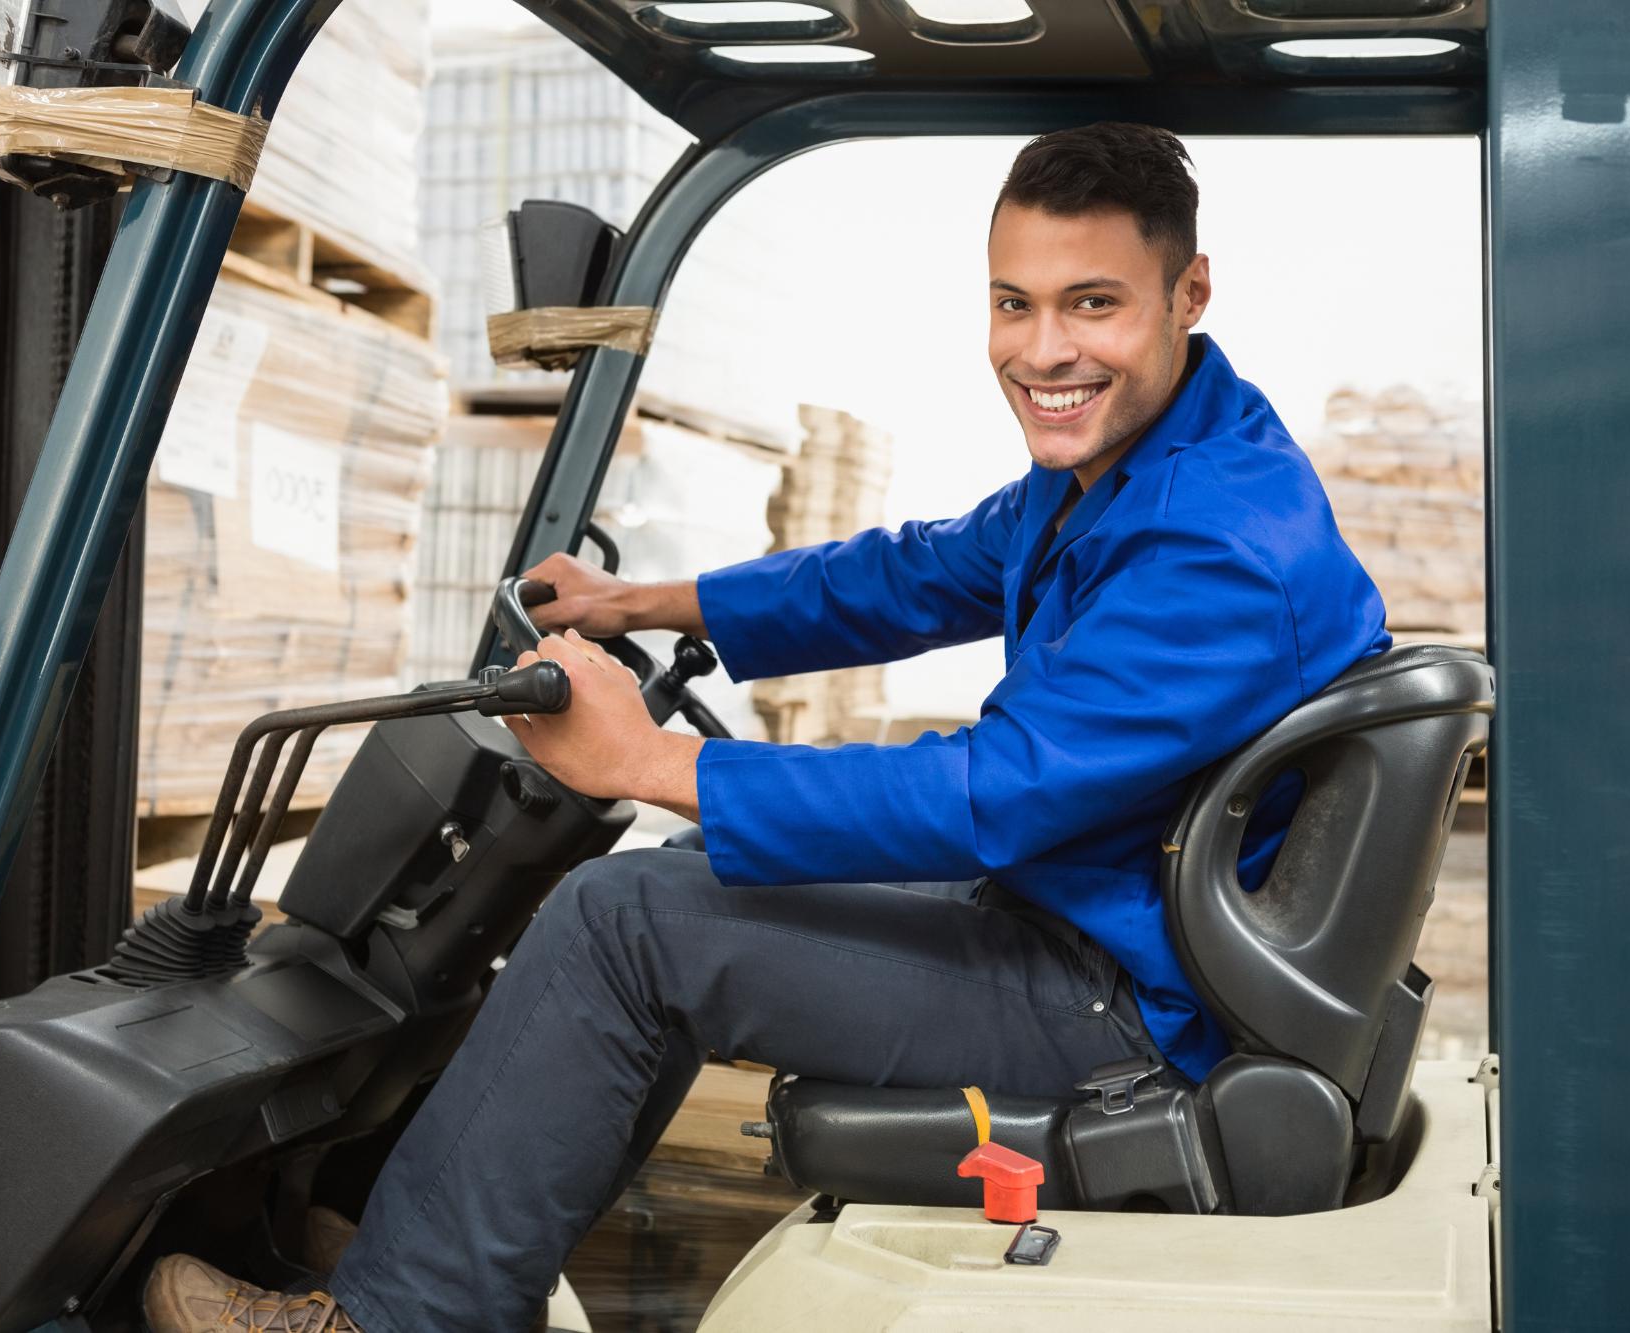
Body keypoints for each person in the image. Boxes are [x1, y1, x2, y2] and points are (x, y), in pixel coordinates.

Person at [144, 120, 1389, 1333]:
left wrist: (650, 758)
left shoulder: (1214, 547)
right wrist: (633, 599)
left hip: (1125, 992)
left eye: (1091, 303)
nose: (1041, 348)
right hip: (1106, 902)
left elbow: (987, 795)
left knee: (621, 924)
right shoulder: (1151, 463)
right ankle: (451, 1258)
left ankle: (406, 1315)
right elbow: (909, 574)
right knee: (687, 876)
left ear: (1188, 293)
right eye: (1014, 304)